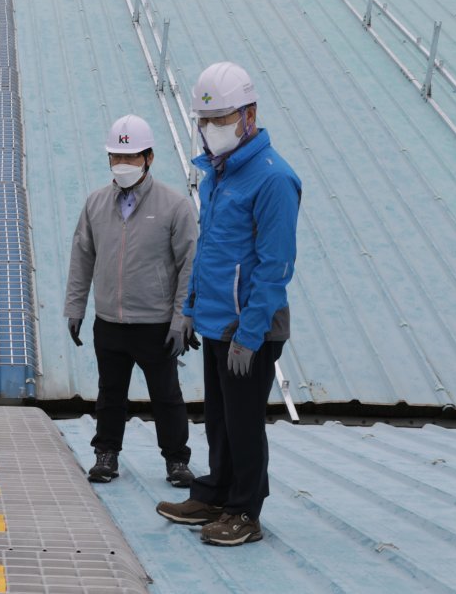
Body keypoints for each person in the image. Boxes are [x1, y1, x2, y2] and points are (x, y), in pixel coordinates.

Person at [156, 62, 301, 547]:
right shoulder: (218, 174)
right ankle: (216, 492)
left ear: (249, 114)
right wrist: (191, 309)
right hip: (218, 322)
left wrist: (249, 334)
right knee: (217, 418)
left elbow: (274, 267)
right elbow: (211, 251)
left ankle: (245, 511)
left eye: (221, 120)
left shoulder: (273, 179)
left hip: (251, 329)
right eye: (204, 120)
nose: (211, 130)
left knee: (243, 423)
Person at [65, 114, 199, 488]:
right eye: (116, 157)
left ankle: (176, 460)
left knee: (166, 395)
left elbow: (190, 265)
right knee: (110, 393)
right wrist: (76, 307)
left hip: (155, 323)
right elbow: (82, 257)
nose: (122, 165)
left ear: (149, 157)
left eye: (131, 157)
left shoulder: (175, 206)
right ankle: (106, 454)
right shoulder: (95, 203)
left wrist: (181, 319)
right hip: (109, 321)